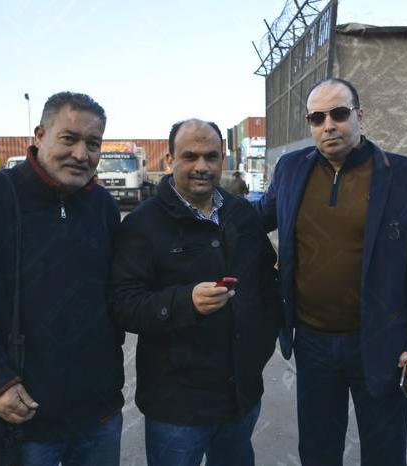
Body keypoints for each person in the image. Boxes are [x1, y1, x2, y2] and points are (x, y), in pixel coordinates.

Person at [0, 91, 125, 466]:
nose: (81, 154)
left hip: (97, 419)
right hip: (17, 425)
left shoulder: (102, 207)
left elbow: (119, 299)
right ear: (39, 135)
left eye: (93, 144)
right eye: (69, 139)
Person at [256, 78, 407, 466]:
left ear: (360, 116)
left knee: (384, 454)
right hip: (312, 342)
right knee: (317, 452)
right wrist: (204, 205)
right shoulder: (291, 170)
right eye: (317, 118)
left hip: (381, 342)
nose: (329, 126)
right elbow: (255, 219)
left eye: (339, 114)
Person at [109, 118, 282, 466]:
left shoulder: (241, 213)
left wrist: (259, 347)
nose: (202, 166)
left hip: (240, 395)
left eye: (211, 156)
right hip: (177, 404)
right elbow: (123, 304)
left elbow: (266, 281)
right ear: (170, 160)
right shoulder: (143, 224)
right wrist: (184, 302)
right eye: (190, 156)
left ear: (222, 159)